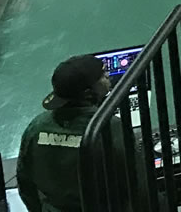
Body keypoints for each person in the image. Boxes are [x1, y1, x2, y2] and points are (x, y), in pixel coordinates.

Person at [17, 55, 116, 212]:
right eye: (103, 76)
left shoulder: (36, 127)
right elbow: (136, 184)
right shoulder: (107, 128)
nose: (108, 77)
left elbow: (25, 183)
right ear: (88, 93)